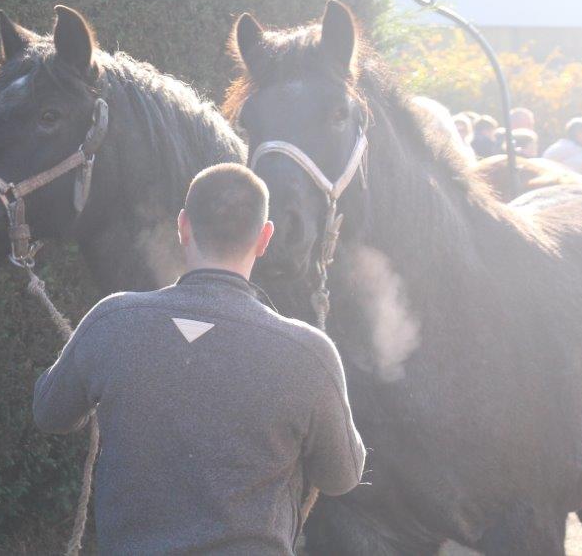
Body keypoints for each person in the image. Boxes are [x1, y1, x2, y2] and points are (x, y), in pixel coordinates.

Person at [33, 164, 365, 555]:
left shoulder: (112, 321)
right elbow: (341, 476)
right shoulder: (309, 353)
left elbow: (50, 413)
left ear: (183, 227)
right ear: (264, 238)